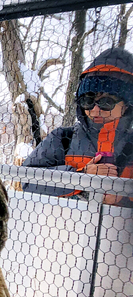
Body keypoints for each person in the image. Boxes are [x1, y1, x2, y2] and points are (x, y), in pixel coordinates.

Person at [22, 47, 133, 206]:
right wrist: (82, 177)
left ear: (127, 105)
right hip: (64, 228)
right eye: (87, 101)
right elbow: (26, 181)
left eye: (106, 102)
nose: (95, 110)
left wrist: (122, 195)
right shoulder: (63, 139)